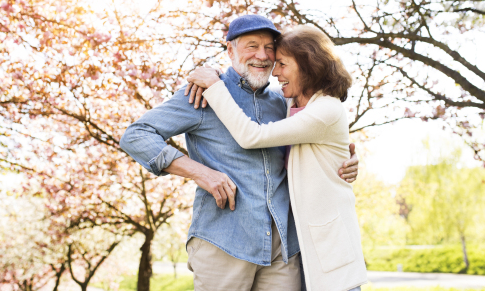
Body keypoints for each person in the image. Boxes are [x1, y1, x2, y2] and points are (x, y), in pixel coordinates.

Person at [119, 15, 359, 291]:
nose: (262, 55)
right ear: (230, 50)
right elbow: (136, 135)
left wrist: (348, 159)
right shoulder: (202, 94)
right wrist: (201, 173)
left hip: (282, 250)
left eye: (270, 48)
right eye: (251, 46)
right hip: (224, 242)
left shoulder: (284, 101)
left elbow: (320, 135)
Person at [187, 25, 367, 291]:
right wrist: (221, 76)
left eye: (282, 63)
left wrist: (216, 88)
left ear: (308, 64)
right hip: (300, 246)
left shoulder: (326, 108)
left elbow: (252, 136)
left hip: (328, 249)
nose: (275, 71)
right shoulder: (292, 106)